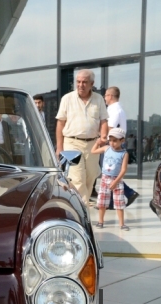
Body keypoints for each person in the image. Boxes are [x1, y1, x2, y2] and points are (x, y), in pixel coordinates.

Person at [56, 69, 108, 204]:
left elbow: (103, 121)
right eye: (78, 82)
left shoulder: (99, 99)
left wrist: (103, 137)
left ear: (92, 83)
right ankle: (84, 212)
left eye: (84, 82)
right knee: (78, 179)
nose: (80, 85)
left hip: (93, 145)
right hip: (72, 144)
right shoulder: (67, 99)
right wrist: (59, 147)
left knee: (90, 178)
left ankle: (77, 205)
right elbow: (60, 124)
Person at [104, 86, 139, 208]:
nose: (105, 98)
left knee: (110, 173)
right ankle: (115, 200)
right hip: (118, 142)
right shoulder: (120, 109)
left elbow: (111, 127)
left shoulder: (113, 109)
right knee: (112, 173)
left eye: (106, 95)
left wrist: (108, 142)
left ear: (111, 96)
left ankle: (128, 193)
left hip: (113, 143)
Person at [91, 128, 129, 230]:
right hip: (105, 178)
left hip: (117, 179)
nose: (112, 143)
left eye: (115, 141)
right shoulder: (106, 148)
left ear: (122, 140)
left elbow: (123, 170)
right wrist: (97, 142)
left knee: (119, 202)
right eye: (110, 140)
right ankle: (100, 221)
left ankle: (122, 224)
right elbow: (93, 151)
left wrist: (116, 182)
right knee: (102, 201)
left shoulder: (124, 154)